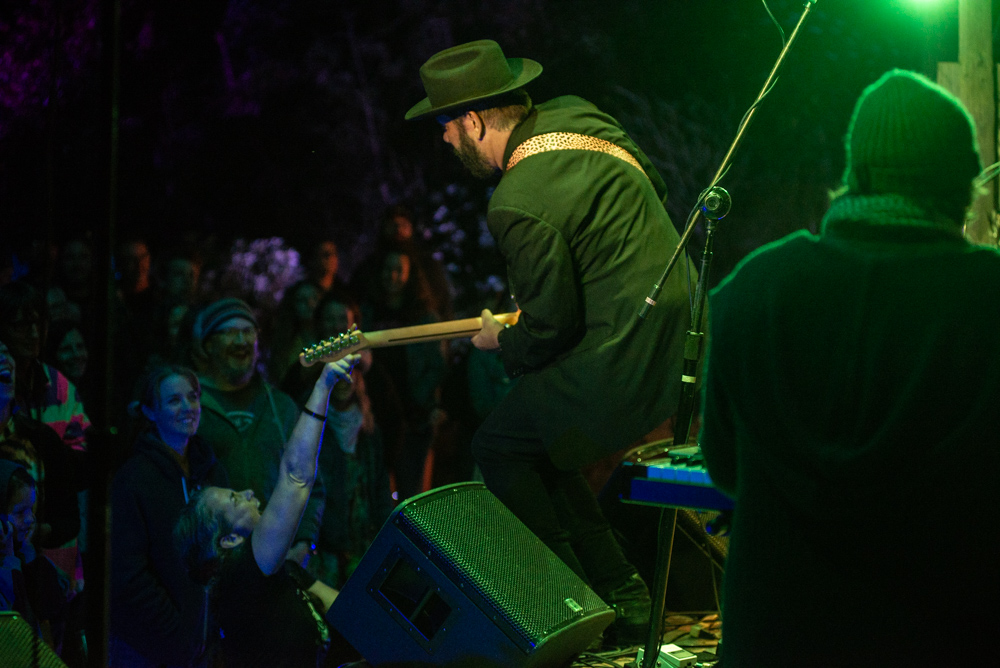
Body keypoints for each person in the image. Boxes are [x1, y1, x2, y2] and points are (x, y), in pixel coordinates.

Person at [699, 70, 1000, 666]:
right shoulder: (987, 299)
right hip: (945, 632)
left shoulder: (755, 289)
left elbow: (724, 467)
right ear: (964, 187)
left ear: (854, 175)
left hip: (777, 636)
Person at [406, 40, 694, 645]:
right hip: (688, 324)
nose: (443, 139)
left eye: (445, 124)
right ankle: (620, 588)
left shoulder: (515, 202)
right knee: (541, 432)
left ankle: (581, 598)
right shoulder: (578, 115)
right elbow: (658, 185)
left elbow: (548, 328)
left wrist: (495, 342)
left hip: (627, 352)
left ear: (475, 120)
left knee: (501, 447)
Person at [174, 354, 359, 668]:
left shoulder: (282, 569)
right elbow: (296, 477)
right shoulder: (241, 580)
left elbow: (354, 617)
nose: (248, 493)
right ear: (229, 541)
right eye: (235, 500)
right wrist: (323, 386)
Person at [189, 297, 326, 567]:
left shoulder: (281, 407)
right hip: (212, 563)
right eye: (229, 332)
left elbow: (312, 480)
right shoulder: (189, 405)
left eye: (248, 332)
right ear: (208, 344)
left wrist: (304, 543)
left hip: (276, 559)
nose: (241, 341)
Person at [109, 365, 229, 667]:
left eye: (192, 397)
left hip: (207, 646)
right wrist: (177, 631)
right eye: (174, 400)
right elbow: (128, 574)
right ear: (150, 412)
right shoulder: (133, 480)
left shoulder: (211, 470)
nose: (188, 407)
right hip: (148, 649)